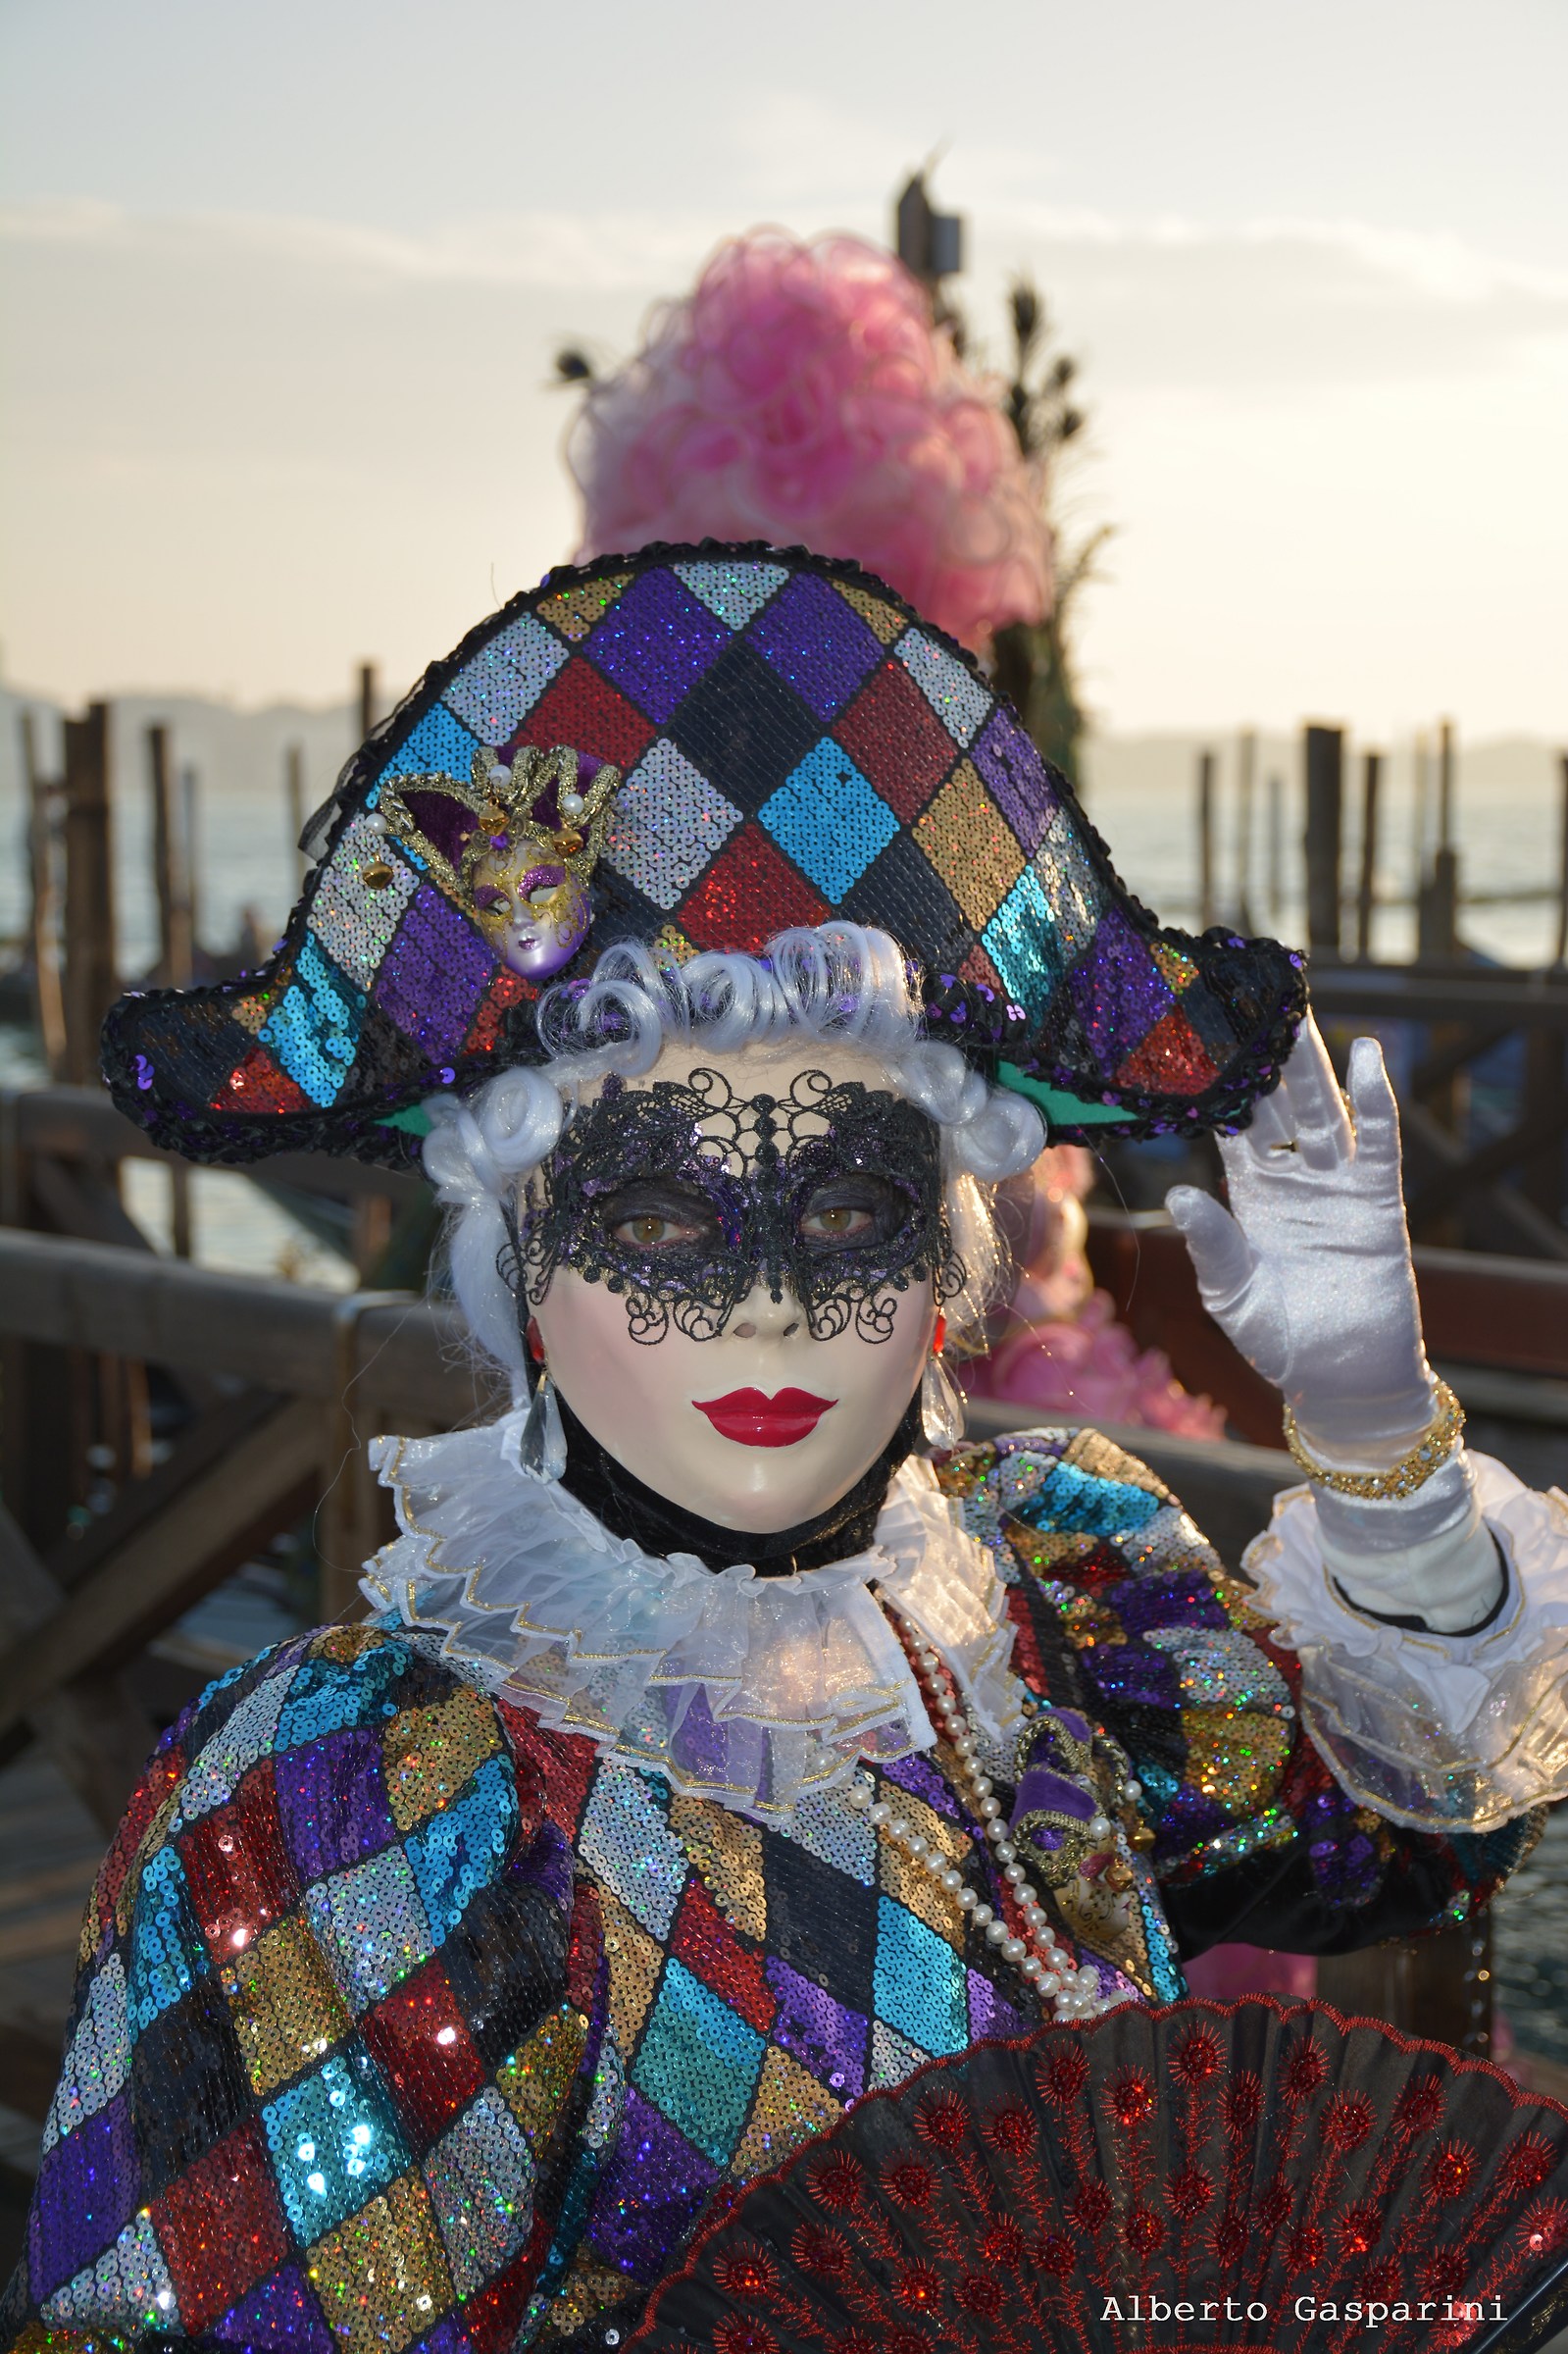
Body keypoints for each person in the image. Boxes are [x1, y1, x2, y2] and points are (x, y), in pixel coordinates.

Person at [10, 543, 1565, 2354]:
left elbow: (1386, 1844)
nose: (768, 1309)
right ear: (517, 1257)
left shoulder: (1055, 1584)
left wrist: (1379, 1433)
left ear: (952, 1261)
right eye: (660, 1227)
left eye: (848, 1213)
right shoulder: (369, 1797)